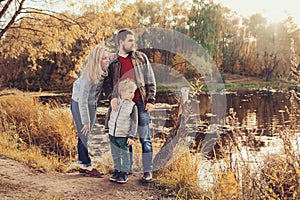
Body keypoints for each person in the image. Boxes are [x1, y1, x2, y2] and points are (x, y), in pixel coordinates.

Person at [104, 29, 156, 182]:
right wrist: (111, 97)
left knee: (145, 138)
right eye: (130, 41)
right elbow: (107, 84)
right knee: (126, 138)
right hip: (122, 106)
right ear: (121, 42)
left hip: (141, 104)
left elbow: (150, 79)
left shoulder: (141, 58)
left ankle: (148, 172)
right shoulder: (113, 62)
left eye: (134, 40)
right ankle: (127, 170)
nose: (134, 44)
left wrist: (151, 100)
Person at [70, 45, 110, 177]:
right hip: (79, 104)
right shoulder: (88, 76)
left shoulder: (104, 70)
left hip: (92, 104)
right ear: (97, 60)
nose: (107, 60)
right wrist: (85, 121)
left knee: (86, 135)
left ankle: (82, 164)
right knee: (84, 133)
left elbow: (113, 57)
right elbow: (82, 101)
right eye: (104, 59)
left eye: (107, 58)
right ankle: (87, 166)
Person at [105, 78, 138, 184]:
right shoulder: (115, 103)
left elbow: (134, 123)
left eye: (133, 92)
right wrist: (107, 131)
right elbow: (108, 117)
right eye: (130, 92)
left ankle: (124, 173)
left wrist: (131, 136)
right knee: (115, 154)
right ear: (122, 92)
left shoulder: (133, 106)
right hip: (112, 135)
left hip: (123, 136)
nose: (133, 94)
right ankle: (117, 171)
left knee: (125, 155)